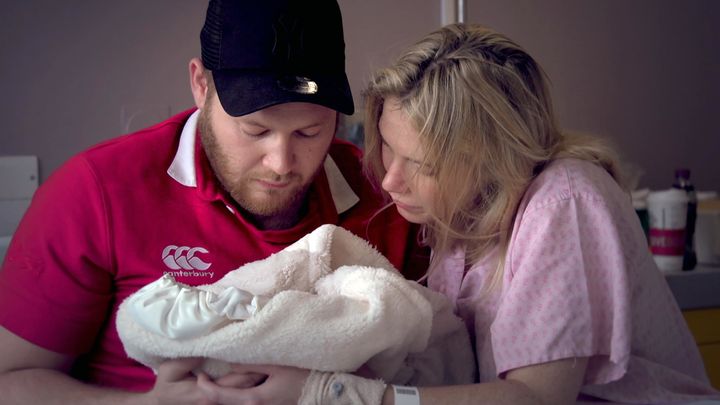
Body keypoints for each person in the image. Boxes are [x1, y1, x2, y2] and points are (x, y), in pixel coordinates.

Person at [194, 23, 720, 405]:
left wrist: (332, 394)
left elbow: (536, 399)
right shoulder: (457, 219)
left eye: (421, 163)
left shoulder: (564, 200)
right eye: (388, 150)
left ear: (495, 159)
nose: (392, 180)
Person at [0, 0, 428, 403]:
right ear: (200, 85)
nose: (281, 163)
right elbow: (11, 381)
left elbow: (437, 358)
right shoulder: (95, 192)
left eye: (309, 133)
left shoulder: (387, 193)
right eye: (255, 131)